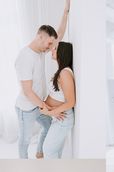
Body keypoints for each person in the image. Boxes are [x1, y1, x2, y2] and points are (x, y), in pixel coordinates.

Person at [15, 0, 70, 159]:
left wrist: (65, 11)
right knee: (24, 140)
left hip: (38, 105)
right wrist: (49, 110)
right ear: (40, 37)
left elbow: (58, 34)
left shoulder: (40, 51)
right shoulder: (25, 57)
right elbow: (27, 91)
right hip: (26, 108)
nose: (51, 47)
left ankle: (40, 154)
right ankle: (23, 165)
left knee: (47, 127)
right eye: (49, 43)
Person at [40, 41, 75, 159]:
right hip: (58, 115)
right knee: (54, 151)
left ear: (62, 52)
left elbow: (71, 102)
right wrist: (51, 110)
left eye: (55, 49)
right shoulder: (62, 71)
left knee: (48, 150)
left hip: (62, 117)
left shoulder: (65, 73)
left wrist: (50, 112)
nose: (52, 50)